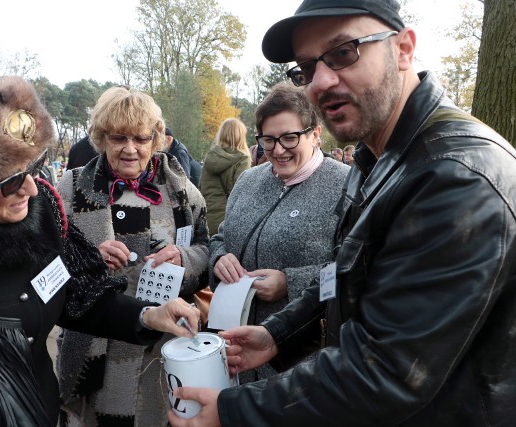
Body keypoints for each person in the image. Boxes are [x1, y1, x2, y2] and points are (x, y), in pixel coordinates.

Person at [168, 0, 516, 425]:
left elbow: (387, 370)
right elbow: (341, 273)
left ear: (404, 49)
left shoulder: (453, 177)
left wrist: (232, 410)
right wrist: (278, 333)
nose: (322, 81)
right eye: (307, 67)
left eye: (344, 52)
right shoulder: (379, 160)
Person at [0, 7, 200, 426]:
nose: (31, 188)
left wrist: (145, 315)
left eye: (34, 167)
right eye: (10, 180)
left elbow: (80, 296)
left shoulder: (43, 209)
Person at [56, 86, 210, 426]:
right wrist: (88, 256)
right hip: (92, 345)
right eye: (119, 138)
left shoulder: (181, 191)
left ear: (154, 139)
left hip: (157, 345)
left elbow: (205, 250)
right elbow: (47, 264)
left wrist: (184, 258)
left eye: (140, 139)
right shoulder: (70, 187)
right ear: (101, 138)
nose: (130, 149)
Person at [208, 81, 349, 382]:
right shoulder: (247, 181)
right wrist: (219, 258)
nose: (278, 150)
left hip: (305, 361)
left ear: (315, 135)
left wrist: (291, 282)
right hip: (238, 352)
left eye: (289, 138)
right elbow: (221, 237)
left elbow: (354, 267)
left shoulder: (346, 185)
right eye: (268, 140)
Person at [200, 118, 252, 234]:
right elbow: (241, 193)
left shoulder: (210, 157)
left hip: (206, 216)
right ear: (240, 135)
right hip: (228, 220)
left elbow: (201, 186)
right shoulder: (242, 159)